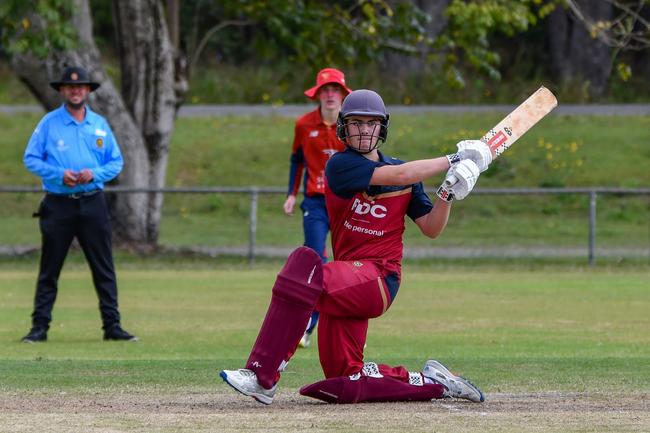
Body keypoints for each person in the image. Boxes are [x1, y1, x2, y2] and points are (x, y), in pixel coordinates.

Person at [220, 89, 492, 404]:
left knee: (304, 268)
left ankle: (261, 376)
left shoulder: (407, 175)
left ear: (382, 128)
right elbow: (398, 174)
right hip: (346, 282)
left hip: (379, 278)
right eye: (356, 123)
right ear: (344, 128)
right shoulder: (340, 165)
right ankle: (434, 382)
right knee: (345, 380)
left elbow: (431, 228)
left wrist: (448, 193)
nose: (364, 130)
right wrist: (454, 158)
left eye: (371, 123)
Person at [20, 66, 137, 343]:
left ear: (87, 91)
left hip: (92, 203)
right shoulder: (49, 124)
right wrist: (59, 174)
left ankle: (112, 326)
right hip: (59, 204)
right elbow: (31, 158)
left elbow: (116, 162)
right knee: (50, 267)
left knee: (103, 267)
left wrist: (93, 174)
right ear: (62, 90)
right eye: (71, 87)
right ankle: (39, 327)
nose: (76, 91)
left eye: (81, 87)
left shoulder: (99, 125)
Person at [282, 68, 352, 348]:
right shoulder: (303, 125)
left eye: (335, 89)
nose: (331, 94)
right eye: (326, 89)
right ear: (318, 94)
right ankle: (309, 323)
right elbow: (296, 161)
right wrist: (290, 194)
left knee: (348, 264)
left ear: (343, 93)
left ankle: (347, 325)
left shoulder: (352, 125)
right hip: (315, 202)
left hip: (346, 202)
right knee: (316, 259)